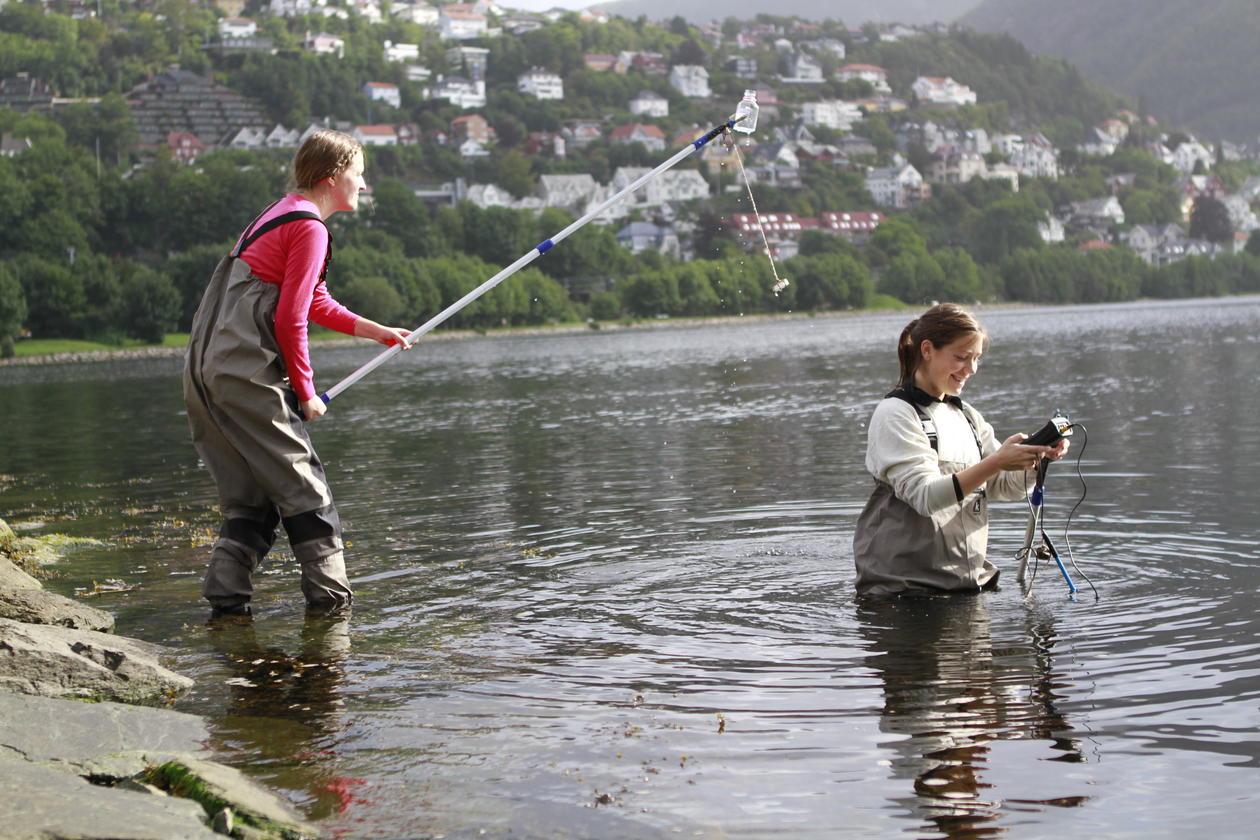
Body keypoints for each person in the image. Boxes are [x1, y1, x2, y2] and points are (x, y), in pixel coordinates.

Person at [184, 129, 410, 616]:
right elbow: (289, 318)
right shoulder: (310, 228)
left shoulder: (279, 212)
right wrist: (306, 394)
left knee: (251, 497)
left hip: (207, 369)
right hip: (245, 374)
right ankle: (332, 612)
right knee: (306, 490)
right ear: (332, 178)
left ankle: (225, 606)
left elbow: (311, 301)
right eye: (358, 173)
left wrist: (376, 331)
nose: (363, 185)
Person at [853, 303, 1068, 596]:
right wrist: (996, 462)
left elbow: (1004, 487)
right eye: (961, 358)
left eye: (976, 358)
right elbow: (925, 498)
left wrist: (1035, 460)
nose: (971, 369)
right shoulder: (895, 414)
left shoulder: (967, 415)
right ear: (927, 350)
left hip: (966, 585)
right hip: (903, 592)